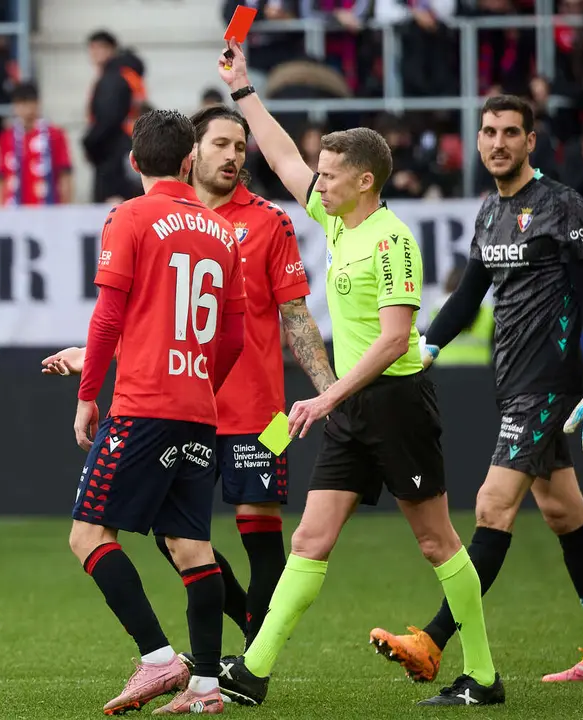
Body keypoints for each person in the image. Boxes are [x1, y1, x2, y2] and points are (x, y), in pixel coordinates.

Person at [210, 40, 503, 707]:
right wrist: (244, 89)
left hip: (395, 403)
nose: (320, 180)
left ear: (365, 179)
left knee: (436, 541)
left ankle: (482, 677)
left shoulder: (393, 239)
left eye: (332, 173)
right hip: (352, 408)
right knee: (312, 537)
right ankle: (253, 672)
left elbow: (399, 338)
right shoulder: (341, 225)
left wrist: (326, 396)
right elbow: (282, 158)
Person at [42, 105, 335, 655]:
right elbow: (155, 321)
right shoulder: (185, 224)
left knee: (258, 522)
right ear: (191, 153)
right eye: (222, 144)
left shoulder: (269, 220)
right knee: (174, 535)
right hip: (192, 405)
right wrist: (96, 356)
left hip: (262, 412)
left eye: (241, 148)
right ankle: (249, 629)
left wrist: (328, 387)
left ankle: (253, 656)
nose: (233, 156)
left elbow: (296, 315)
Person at [369, 94, 583, 685]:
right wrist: (426, 348)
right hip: (511, 384)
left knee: (492, 505)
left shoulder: (565, 207)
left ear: (531, 141)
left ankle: (433, 642)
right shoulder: (490, 211)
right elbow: (468, 296)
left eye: (510, 132)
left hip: (549, 385)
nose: (497, 143)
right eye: (488, 132)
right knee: (565, 513)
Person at [67, 108, 246, 715]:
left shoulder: (130, 216)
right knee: (191, 546)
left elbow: (109, 316)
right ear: (190, 160)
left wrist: (89, 392)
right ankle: (206, 687)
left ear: (134, 160)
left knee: (88, 534)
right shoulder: (222, 232)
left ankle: (158, 661)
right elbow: (234, 338)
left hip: (143, 408)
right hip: (198, 409)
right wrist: (201, 387)